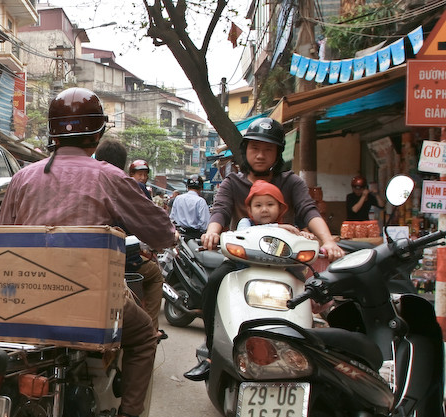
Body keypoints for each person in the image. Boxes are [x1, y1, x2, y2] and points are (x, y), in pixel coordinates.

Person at [0, 88, 175, 417]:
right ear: (96, 135)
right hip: (89, 301)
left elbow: (3, 236)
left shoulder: (23, 178)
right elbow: (160, 232)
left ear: (53, 133)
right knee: (144, 335)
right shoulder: (108, 176)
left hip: (23, 299)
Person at [186, 116, 343, 381]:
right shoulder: (232, 183)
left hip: (287, 261)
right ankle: (212, 352)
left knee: (320, 292)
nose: (260, 155)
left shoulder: (291, 182)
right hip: (243, 260)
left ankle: (317, 357)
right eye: (255, 148)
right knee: (213, 283)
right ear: (246, 151)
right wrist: (212, 232)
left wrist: (327, 241)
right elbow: (220, 210)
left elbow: (308, 209)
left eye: (268, 149)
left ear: (278, 153)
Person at [94, 136, 168, 333]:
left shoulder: (84, 181)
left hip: (85, 259)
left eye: (144, 174)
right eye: (139, 173)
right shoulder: (131, 186)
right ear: (126, 168)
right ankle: (151, 330)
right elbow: (155, 226)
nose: (142, 177)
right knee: (155, 275)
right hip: (120, 259)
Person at [236, 179, 300, 233]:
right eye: (258, 205)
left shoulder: (285, 228)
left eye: (270, 204)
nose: (264, 210)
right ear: (250, 210)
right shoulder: (246, 223)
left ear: (280, 208)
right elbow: (244, 233)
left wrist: (302, 235)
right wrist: (276, 227)